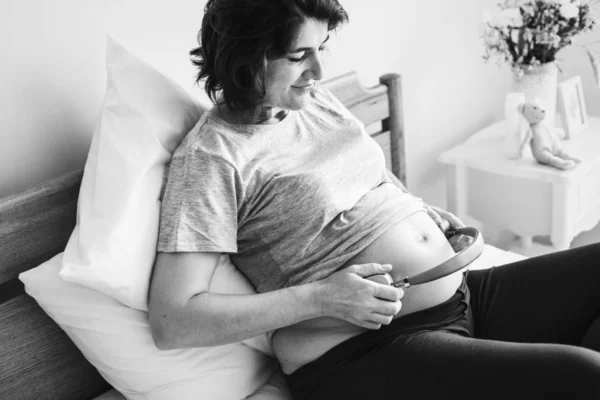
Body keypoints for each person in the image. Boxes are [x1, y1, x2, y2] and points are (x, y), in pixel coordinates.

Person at [148, 0, 600, 398]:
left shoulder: (313, 99)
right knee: (583, 375)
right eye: (298, 55)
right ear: (244, 58)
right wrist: (323, 298)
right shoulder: (213, 158)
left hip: (459, 294)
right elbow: (174, 320)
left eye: (321, 48)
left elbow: (371, 175)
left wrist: (415, 210)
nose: (318, 71)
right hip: (367, 349)